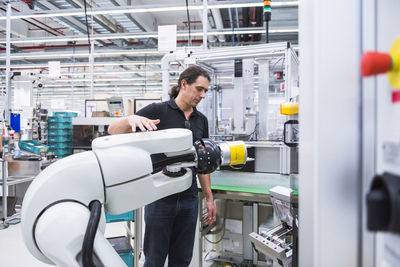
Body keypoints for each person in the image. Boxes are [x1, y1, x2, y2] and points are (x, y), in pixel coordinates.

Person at [108, 65, 216, 267]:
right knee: (154, 258)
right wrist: (131, 118)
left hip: (189, 198)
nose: (202, 95)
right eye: (199, 89)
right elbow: (113, 130)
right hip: (159, 199)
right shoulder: (157, 111)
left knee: (182, 259)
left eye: (205, 91)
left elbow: (203, 163)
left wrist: (209, 197)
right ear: (184, 84)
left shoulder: (201, 120)